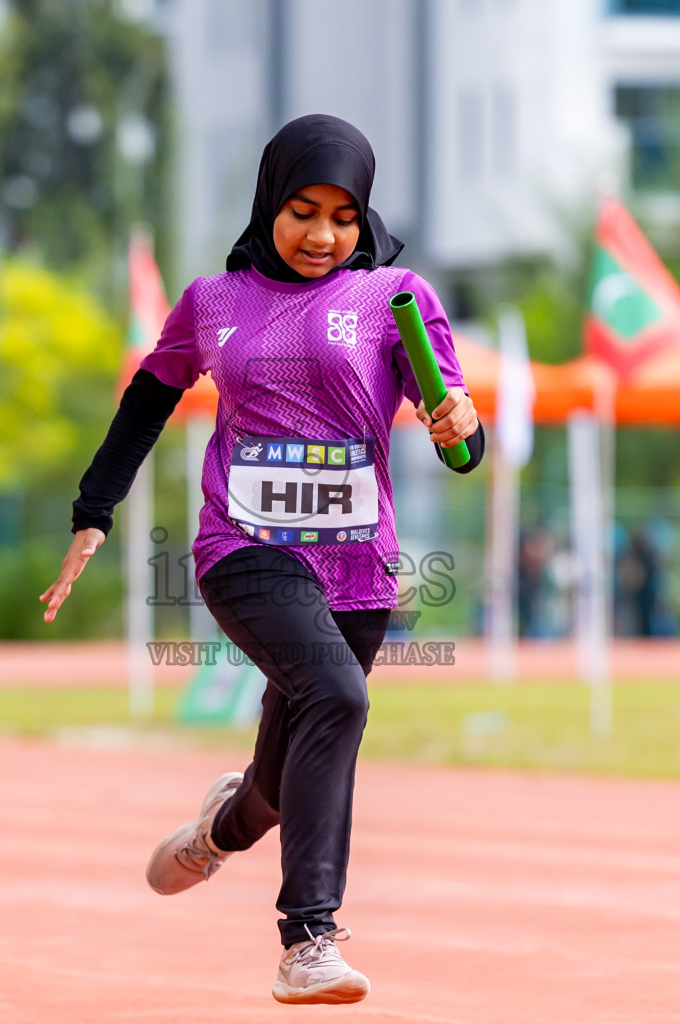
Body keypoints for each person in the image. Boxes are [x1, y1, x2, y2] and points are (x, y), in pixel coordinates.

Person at [39, 115, 484, 1005]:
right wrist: (95, 511)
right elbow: (146, 401)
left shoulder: (396, 297)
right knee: (339, 697)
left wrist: (463, 428)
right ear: (268, 203)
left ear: (364, 219)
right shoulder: (213, 302)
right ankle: (308, 939)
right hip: (244, 547)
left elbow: (460, 441)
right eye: (302, 210)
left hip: (358, 567)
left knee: (285, 778)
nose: (322, 236)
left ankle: (223, 828)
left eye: (343, 217)